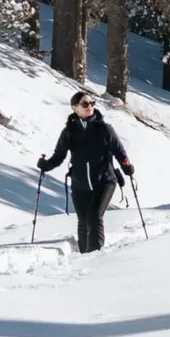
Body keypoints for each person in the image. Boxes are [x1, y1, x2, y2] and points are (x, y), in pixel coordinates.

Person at [39, 88, 136, 254]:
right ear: (74, 108)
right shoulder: (69, 132)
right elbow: (59, 156)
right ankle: (83, 257)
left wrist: (127, 167)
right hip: (80, 184)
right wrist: (45, 165)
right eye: (85, 104)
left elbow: (119, 151)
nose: (89, 106)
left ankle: (95, 258)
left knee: (94, 217)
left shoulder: (104, 129)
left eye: (92, 103)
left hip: (105, 181)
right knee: (83, 221)